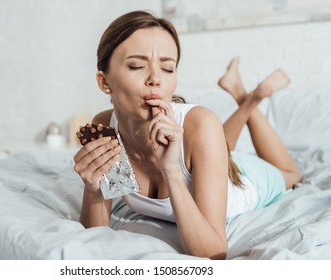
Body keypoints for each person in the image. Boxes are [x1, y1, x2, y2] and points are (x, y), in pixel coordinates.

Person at [73, 10, 302, 259]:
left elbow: (214, 253)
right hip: (211, 155)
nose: (155, 79)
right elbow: (95, 236)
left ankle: (252, 98)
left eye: (167, 68)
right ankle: (242, 94)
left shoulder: (201, 122)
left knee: (292, 174)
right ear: (104, 81)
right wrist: (93, 189)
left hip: (248, 180)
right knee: (217, 143)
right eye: (137, 66)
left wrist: (171, 170)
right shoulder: (105, 126)